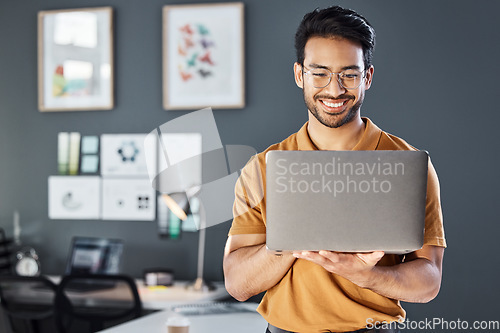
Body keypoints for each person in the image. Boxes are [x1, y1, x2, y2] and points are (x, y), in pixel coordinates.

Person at [223, 5, 446, 333]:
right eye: (320, 72)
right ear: (300, 74)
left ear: (367, 77)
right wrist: (292, 242)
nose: (335, 89)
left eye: (349, 74)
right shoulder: (261, 169)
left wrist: (365, 275)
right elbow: (237, 284)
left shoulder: (408, 164)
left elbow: (429, 282)